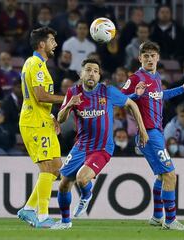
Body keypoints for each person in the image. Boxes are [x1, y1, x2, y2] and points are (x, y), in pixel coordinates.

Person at [53, 58, 148, 229]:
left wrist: (142, 129)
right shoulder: (73, 92)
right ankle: (65, 222)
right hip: (81, 146)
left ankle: (86, 195)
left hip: (102, 147)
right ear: (81, 74)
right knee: (63, 184)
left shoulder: (107, 91)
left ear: (99, 75)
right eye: (88, 70)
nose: (92, 73)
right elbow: (60, 119)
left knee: (82, 179)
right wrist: (69, 105)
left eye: (96, 71)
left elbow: (132, 103)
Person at [121, 41, 184, 230]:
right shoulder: (135, 78)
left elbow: (160, 95)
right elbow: (120, 99)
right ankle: (170, 220)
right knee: (170, 175)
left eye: (152, 55)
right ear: (139, 58)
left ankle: (157, 217)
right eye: (145, 55)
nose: (149, 58)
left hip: (157, 132)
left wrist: (182, 88)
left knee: (162, 177)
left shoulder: (155, 77)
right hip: (148, 133)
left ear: (158, 58)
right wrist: (136, 96)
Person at [16, 27, 64, 228]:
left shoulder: (41, 66)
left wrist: (52, 114)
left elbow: (42, 100)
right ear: (42, 44)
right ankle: (43, 216)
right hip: (33, 122)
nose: (55, 44)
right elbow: (40, 96)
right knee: (46, 167)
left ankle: (28, 209)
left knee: (56, 168)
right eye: (52, 40)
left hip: (43, 120)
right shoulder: (34, 63)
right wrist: (69, 100)